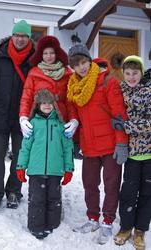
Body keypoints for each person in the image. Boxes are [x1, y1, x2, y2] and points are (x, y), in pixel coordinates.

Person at [67, 44, 128, 244]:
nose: (82, 67)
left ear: (89, 60)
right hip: (90, 144)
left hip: (110, 145)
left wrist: (121, 143)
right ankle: (92, 218)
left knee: (111, 185)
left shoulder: (108, 81)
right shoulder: (74, 86)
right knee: (90, 184)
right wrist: (75, 133)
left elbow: (119, 114)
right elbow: (74, 111)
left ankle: (108, 221)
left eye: (84, 62)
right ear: (73, 68)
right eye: (77, 65)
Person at [0, 20, 35, 214]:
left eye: (24, 36)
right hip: (0, 115)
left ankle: (14, 191)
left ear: (29, 38)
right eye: (17, 35)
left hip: (23, 117)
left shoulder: (34, 60)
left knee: (20, 158)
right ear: (12, 36)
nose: (20, 39)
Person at [16, 89, 74, 239]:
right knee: (36, 200)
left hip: (55, 171)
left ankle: (53, 226)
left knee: (54, 200)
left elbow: (68, 148)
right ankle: (36, 227)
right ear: (38, 105)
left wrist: (68, 169)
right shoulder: (33, 124)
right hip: (36, 171)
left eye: (50, 103)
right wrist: (21, 166)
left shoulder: (60, 125)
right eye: (43, 103)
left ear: (54, 105)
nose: (47, 105)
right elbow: (25, 148)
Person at [111, 56, 151, 250]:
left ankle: (141, 230)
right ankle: (126, 227)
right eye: (127, 73)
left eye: (135, 73)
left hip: (149, 153)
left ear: (141, 73)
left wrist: (127, 125)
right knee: (128, 192)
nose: (131, 77)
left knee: (147, 194)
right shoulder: (120, 90)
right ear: (123, 73)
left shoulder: (148, 92)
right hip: (132, 154)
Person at [19, 35, 80, 156]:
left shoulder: (67, 73)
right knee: (40, 154)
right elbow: (27, 98)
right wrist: (23, 118)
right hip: (39, 121)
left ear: (57, 53)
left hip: (60, 122)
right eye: (45, 53)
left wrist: (74, 120)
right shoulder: (34, 73)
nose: (48, 56)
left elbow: (70, 101)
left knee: (58, 155)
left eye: (51, 52)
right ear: (41, 55)